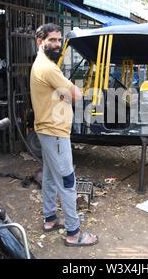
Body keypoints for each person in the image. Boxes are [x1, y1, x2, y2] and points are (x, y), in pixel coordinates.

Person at [30, 23, 99, 247]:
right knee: (67, 181)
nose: (57, 44)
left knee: (50, 177)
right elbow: (76, 95)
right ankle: (73, 233)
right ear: (40, 42)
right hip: (55, 133)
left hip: (47, 130)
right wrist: (68, 95)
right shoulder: (49, 68)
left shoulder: (41, 64)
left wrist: (64, 96)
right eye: (52, 40)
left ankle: (50, 220)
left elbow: (65, 95)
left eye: (59, 40)